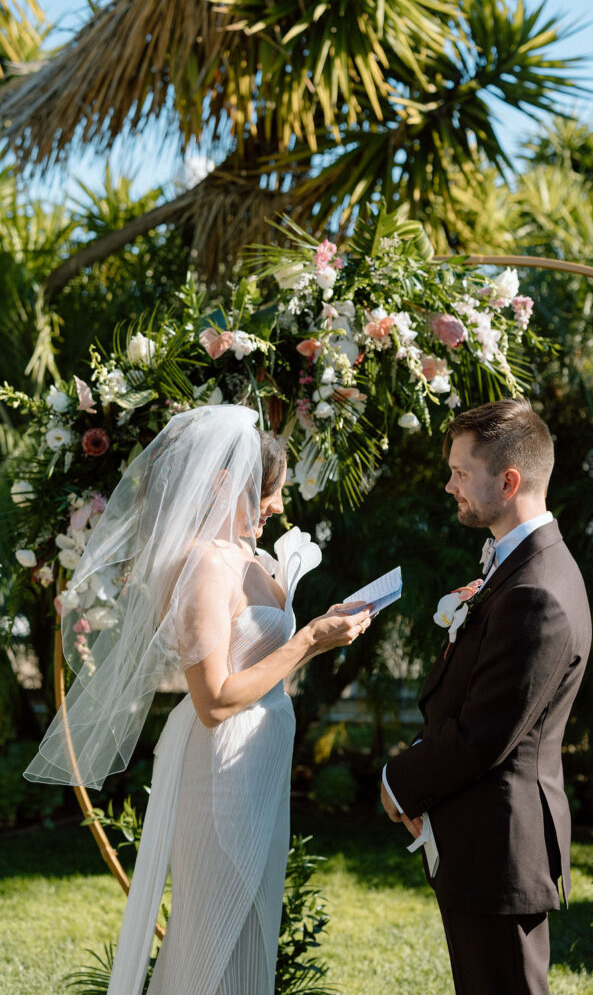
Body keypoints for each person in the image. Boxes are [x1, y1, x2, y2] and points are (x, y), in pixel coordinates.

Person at [25, 404, 371, 995]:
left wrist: (321, 633)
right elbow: (213, 701)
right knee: (210, 935)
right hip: (219, 767)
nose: (279, 506)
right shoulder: (203, 566)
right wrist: (309, 637)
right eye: (270, 493)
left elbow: (263, 660)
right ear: (223, 482)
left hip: (257, 765)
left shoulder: (249, 558)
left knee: (250, 931)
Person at [380, 398, 591, 995]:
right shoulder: (520, 567)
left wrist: (397, 782)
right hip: (484, 842)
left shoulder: (537, 592)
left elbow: (484, 737)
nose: (449, 486)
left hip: (502, 848)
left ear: (509, 480)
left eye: (460, 472)